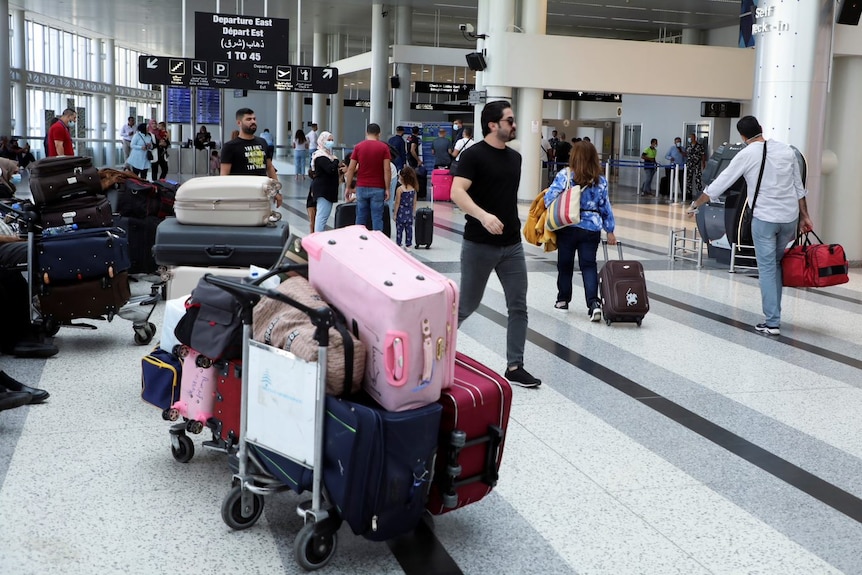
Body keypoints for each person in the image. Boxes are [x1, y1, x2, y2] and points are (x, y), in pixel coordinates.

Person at [688, 115, 813, 336]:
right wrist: (805, 217)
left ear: (743, 136)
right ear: (761, 129)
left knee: (766, 268)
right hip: (789, 219)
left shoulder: (747, 154)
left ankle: (772, 322)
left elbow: (720, 183)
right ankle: (775, 314)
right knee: (774, 264)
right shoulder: (787, 151)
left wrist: (696, 204)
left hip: (765, 219)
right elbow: (798, 187)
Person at [449, 100, 542, 389]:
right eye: (510, 120)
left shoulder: (515, 158)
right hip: (479, 244)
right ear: (493, 124)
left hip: (511, 245)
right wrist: (482, 215)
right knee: (466, 306)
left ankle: (515, 365)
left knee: (518, 306)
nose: (514, 125)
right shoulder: (473, 155)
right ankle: (433, 353)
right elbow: (456, 191)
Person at [545, 141, 617, 320]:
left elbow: (549, 199)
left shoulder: (565, 175)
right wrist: (610, 230)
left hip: (568, 225)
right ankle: (593, 304)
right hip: (591, 228)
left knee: (565, 264)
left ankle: (562, 300)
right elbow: (605, 207)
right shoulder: (600, 181)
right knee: (588, 265)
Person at [220, 108, 281, 207]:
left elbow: (270, 168)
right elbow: (224, 175)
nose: (253, 121)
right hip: (240, 196)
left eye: (254, 119)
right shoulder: (230, 146)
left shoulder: (262, 142)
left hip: (262, 193)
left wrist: (276, 191)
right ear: (239, 123)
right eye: (248, 119)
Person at [344, 123, 391, 232]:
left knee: (360, 216)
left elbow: (351, 168)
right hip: (378, 188)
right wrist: (387, 188)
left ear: (366, 133)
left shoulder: (359, 147)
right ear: (379, 134)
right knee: (377, 218)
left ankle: (359, 241)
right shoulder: (384, 148)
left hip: (361, 187)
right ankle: (377, 243)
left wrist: (348, 187)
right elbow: (387, 170)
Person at [309, 131, 345, 232]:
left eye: (332, 140)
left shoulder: (328, 156)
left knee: (323, 216)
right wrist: (336, 161)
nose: (331, 142)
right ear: (322, 141)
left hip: (327, 190)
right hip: (323, 190)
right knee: (322, 217)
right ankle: (318, 237)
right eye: (328, 140)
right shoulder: (320, 156)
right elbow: (330, 169)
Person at [393, 166, 418, 250]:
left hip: (401, 212)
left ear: (403, 177)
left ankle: (399, 243)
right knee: (409, 229)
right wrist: (413, 212)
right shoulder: (413, 189)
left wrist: (395, 214)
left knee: (399, 229)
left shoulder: (400, 189)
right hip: (409, 212)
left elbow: (397, 202)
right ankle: (408, 244)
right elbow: (414, 202)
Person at [685, 133, 706, 201]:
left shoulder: (700, 146)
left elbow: (703, 155)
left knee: (698, 179)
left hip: (697, 164)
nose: (690, 139)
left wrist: (703, 163)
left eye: (691, 137)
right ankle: (688, 194)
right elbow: (686, 154)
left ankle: (699, 194)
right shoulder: (688, 146)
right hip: (689, 165)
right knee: (689, 180)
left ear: (694, 138)